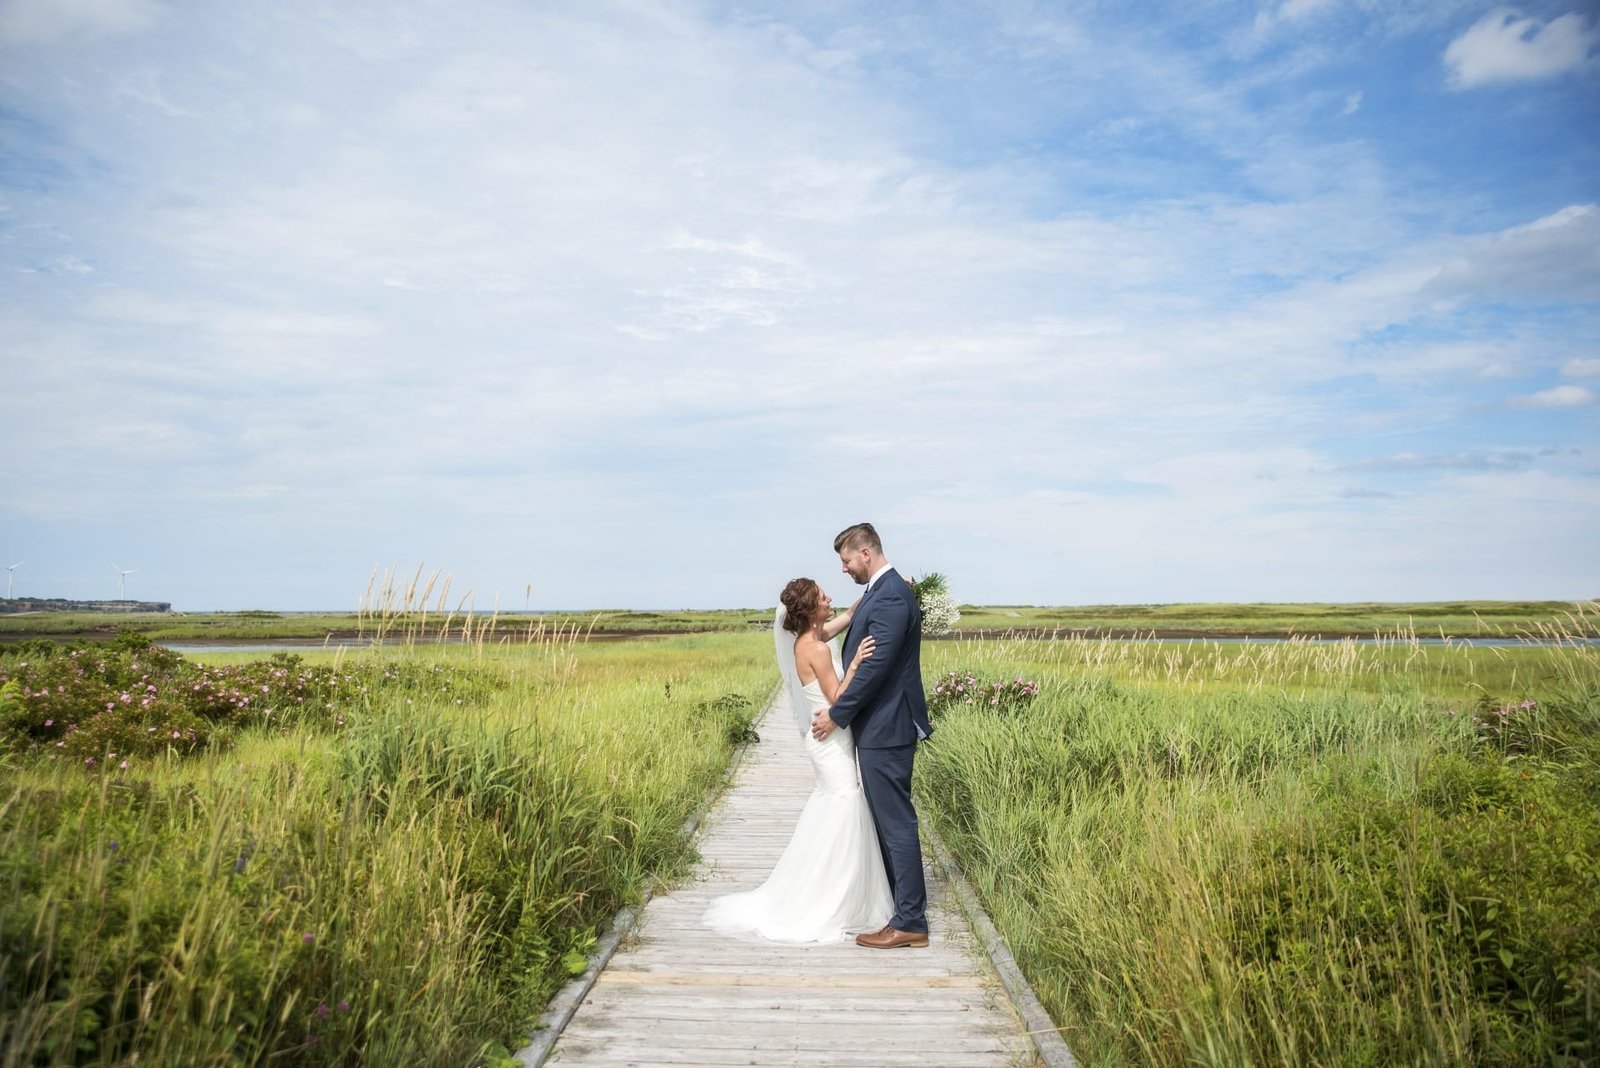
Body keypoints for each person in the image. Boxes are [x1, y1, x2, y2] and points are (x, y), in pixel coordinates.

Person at [701, 578, 893, 943]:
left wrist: (872, 595)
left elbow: (849, 615)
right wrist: (855, 665)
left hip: (827, 736)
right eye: (823, 597)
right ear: (810, 609)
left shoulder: (811, 640)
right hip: (829, 735)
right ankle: (834, 897)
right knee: (844, 805)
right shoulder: (817, 650)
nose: (829, 598)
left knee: (836, 807)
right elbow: (837, 697)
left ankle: (837, 888)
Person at [812, 522, 933, 949]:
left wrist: (837, 715)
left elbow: (876, 668)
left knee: (896, 822)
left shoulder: (893, 597)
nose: (843, 569)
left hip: (888, 724)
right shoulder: (885, 592)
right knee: (887, 821)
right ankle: (899, 909)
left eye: (846, 560)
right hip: (880, 725)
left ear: (866, 553)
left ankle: (911, 920)